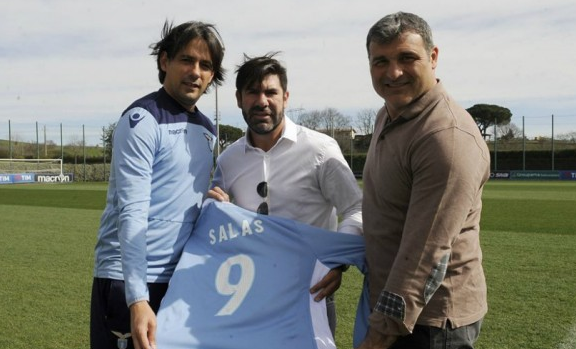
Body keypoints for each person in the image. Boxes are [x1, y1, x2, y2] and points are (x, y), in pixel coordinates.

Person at [357, 12, 490, 349]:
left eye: (407, 58)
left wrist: (379, 335)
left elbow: (426, 255)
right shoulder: (388, 113)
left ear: (433, 57)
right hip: (392, 306)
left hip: (429, 325)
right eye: (380, 61)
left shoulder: (446, 137)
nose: (393, 72)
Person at [90, 20, 225, 349]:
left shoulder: (208, 129)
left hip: (178, 281)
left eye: (206, 65)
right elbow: (132, 212)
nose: (196, 72)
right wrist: (137, 299)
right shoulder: (142, 120)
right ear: (165, 62)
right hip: (128, 280)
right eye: (187, 60)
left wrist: (211, 202)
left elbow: (181, 195)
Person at [208, 53, 363, 337]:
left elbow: (357, 208)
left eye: (270, 92)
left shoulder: (320, 149)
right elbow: (216, 219)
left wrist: (336, 261)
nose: (262, 101)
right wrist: (216, 208)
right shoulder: (228, 160)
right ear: (239, 99)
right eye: (252, 92)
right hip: (249, 297)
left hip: (310, 294)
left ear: (286, 97)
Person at [156, 200, 367, 349]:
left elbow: (356, 209)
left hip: (188, 334)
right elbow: (370, 251)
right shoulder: (229, 160)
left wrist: (337, 266)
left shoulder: (199, 224)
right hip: (288, 333)